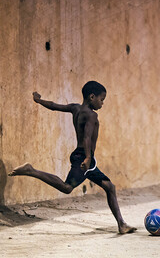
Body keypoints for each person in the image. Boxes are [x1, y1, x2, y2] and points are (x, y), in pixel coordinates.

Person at [9, 81, 137, 234]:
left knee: (110, 187)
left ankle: (121, 224)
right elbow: (87, 137)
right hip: (84, 158)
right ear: (92, 97)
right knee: (67, 187)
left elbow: (54, 105)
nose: (102, 103)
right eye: (101, 99)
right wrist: (88, 158)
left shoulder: (75, 108)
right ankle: (31, 170)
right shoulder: (92, 115)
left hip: (85, 159)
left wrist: (39, 100)